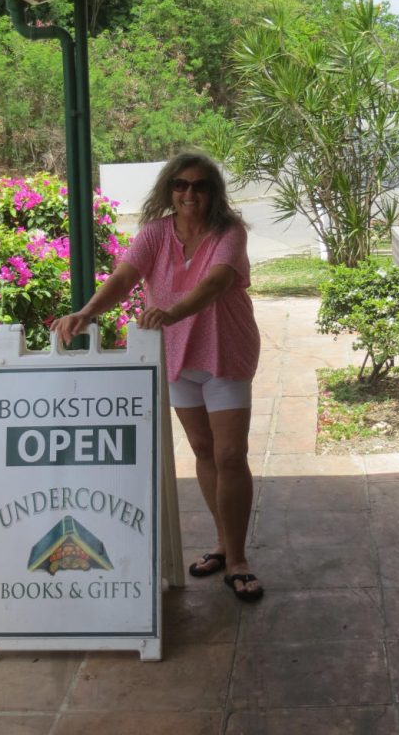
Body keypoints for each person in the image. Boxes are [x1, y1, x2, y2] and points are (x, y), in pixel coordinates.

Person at [51, 151, 263, 602]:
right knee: (204, 449)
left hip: (225, 350)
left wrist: (173, 310)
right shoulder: (153, 235)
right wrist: (87, 313)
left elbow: (217, 282)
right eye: (181, 185)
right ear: (169, 189)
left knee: (230, 453)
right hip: (175, 354)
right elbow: (125, 277)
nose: (190, 193)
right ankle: (224, 545)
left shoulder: (229, 233)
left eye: (201, 185)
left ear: (214, 192)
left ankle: (240, 558)